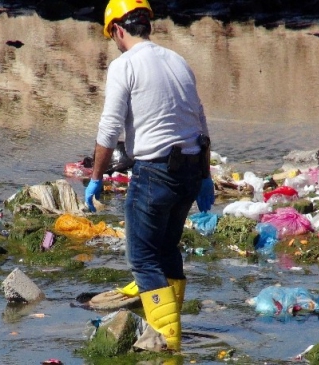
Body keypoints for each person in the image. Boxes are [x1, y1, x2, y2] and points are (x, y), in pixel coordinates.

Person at [84, 0, 215, 352]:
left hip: (155, 172)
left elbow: (110, 127)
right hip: (189, 168)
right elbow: (200, 123)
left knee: (142, 258)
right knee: (167, 249)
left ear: (118, 30)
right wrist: (204, 177)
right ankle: (173, 331)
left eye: (111, 33)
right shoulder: (178, 61)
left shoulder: (124, 65)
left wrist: (96, 176)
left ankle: (167, 346)